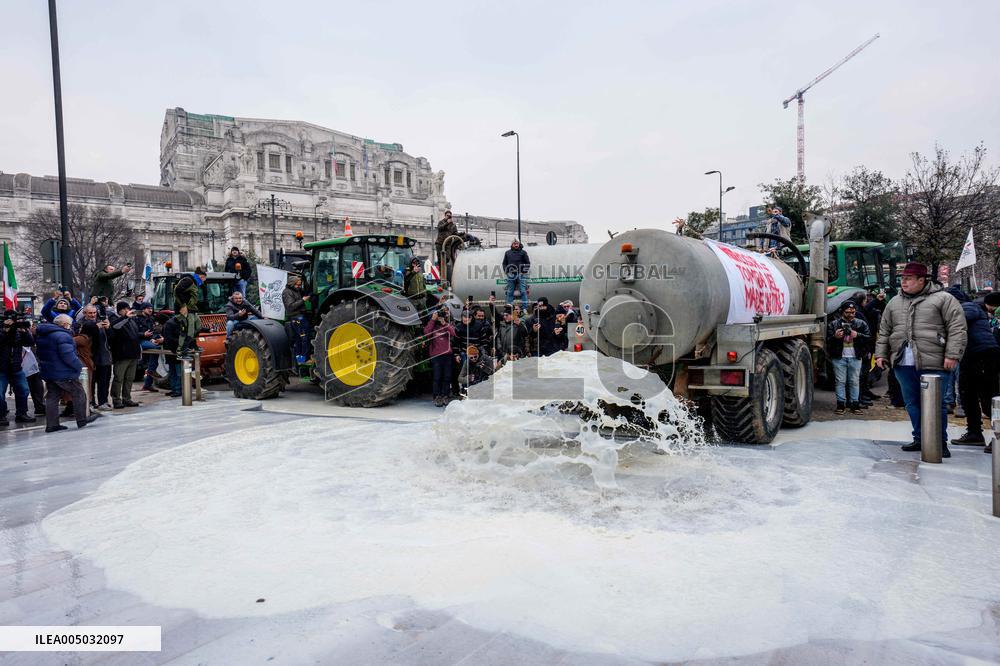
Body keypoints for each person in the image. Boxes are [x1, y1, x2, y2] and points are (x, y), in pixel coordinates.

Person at [874, 262, 967, 456]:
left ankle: (939, 442)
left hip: (935, 361)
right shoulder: (894, 302)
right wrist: (881, 354)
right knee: (912, 403)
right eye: (902, 279)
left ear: (922, 280)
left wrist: (952, 354)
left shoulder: (944, 299)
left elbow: (957, 328)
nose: (903, 282)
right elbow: (884, 331)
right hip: (903, 363)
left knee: (936, 404)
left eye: (908, 278)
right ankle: (920, 438)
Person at [946, 288, 1000, 447]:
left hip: (984, 354)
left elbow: (957, 322)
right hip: (969, 356)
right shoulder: (966, 307)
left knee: (988, 397)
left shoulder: (968, 307)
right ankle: (974, 432)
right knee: (967, 395)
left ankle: (998, 437)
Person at [36, 314, 99, 433]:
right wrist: (79, 366)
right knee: (79, 392)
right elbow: (68, 356)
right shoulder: (63, 336)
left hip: (49, 371)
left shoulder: (43, 335)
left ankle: (52, 424)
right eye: (69, 324)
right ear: (65, 324)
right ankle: (82, 419)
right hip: (63, 372)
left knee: (52, 396)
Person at [826, 300, 871, 415]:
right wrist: (835, 336)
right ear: (842, 312)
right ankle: (841, 404)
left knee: (854, 381)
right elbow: (827, 341)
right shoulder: (834, 324)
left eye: (853, 312)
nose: (850, 315)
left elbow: (868, 339)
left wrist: (857, 335)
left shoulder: (861, 324)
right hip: (839, 357)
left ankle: (855, 404)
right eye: (847, 312)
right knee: (840, 381)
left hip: (855, 357)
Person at [0, 310, 36, 426]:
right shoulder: (1, 329)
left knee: (23, 390)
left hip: (16, 366)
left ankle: (21, 413)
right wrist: (5, 331)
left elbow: (30, 342)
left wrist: (24, 332)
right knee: (0, 393)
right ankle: (1, 415)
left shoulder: (19, 329)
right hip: (1, 367)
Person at [78, 304, 113, 410]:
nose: (93, 315)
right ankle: (91, 402)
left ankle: (103, 401)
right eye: (90, 313)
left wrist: (108, 328)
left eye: (94, 313)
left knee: (104, 382)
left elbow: (112, 338)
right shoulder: (81, 324)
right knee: (90, 382)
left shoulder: (101, 322)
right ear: (85, 313)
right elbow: (85, 335)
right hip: (91, 357)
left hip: (105, 356)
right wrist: (96, 327)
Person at [108, 302, 142, 409]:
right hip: (122, 354)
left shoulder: (131, 321)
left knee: (129, 378)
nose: (128, 311)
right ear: (121, 310)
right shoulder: (115, 320)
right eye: (126, 309)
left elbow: (136, 336)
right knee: (119, 378)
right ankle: (116, 399)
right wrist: (126, 317)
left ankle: (127, 398)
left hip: (133, 353)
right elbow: (115, 327)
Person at [424, 307, 455, 407]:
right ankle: (436, 396)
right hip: (436, 356)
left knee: (447, 377)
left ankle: (445, 395)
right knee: (437, 377)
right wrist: (433, 320)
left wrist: (444, 323)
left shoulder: (446, 325)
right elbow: (426, 332)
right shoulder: (432, 326)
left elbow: (453, 333)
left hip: (447, 355)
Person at [174, 267, 207, 356]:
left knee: (198, 326)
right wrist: (183, 305)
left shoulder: (195, 283)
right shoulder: (189, 280)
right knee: (188, 329)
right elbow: (177, 290)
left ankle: (192, 345)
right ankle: (181, 350)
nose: (204, 280)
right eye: (204, 278)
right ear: (201, 276)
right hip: (184, 309)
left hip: (191, 309)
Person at [282, 276, 311, 363]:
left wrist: (305, 280)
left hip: (299, 316)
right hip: (296, 317)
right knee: (303, 338)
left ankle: (300, 360)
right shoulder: (287, 292)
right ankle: (303, 359)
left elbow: (306, 290)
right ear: (292, 284)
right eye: (298, 285)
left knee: (300, 338)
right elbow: (290, 306)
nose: (299, 286)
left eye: (300, 285)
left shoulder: (296, 290)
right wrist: (302, 300)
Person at [134, 301, 162, 392]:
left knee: (158, 346)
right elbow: (134, 333)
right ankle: (151, 368)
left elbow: (154, 331)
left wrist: (155, 338)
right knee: (156, 348)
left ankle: (148, 384)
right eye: (148, 308)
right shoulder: (136, 319)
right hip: (140, 341)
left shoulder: (151, 319)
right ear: (143, 309)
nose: (151, 310)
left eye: (151, 308)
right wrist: (143, 334)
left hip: (148, 340)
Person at [502, 240, 531, 310]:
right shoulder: (507, 253)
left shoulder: (523, 252)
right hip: (511, 275)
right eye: (514, 244)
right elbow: (504, 263)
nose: (516, 245)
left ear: (519, 244)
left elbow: (528, 263)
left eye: (517, 243)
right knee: (510, 291)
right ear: (512, 244)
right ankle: (509, 308)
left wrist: (523, 271)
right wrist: (507, 271)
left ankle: (524, 308)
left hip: (521, 274)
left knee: (523, 291)